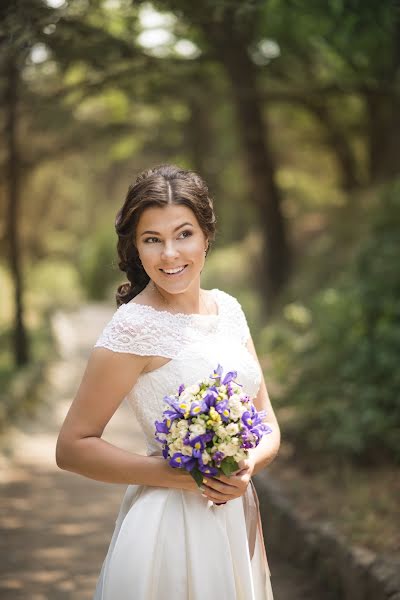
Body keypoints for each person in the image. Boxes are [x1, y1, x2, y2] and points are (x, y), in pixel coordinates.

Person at [56, 164, 280, 600]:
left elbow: (266, 419)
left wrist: (249, 465)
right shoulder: (134, 328)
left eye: (183, 234)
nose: (170, 254)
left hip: (235, 517)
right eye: (152, 240)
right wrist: (184, 476)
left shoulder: (229, 310)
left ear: (207, 237)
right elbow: (72, 446)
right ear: (135, 248)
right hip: (168, 529)